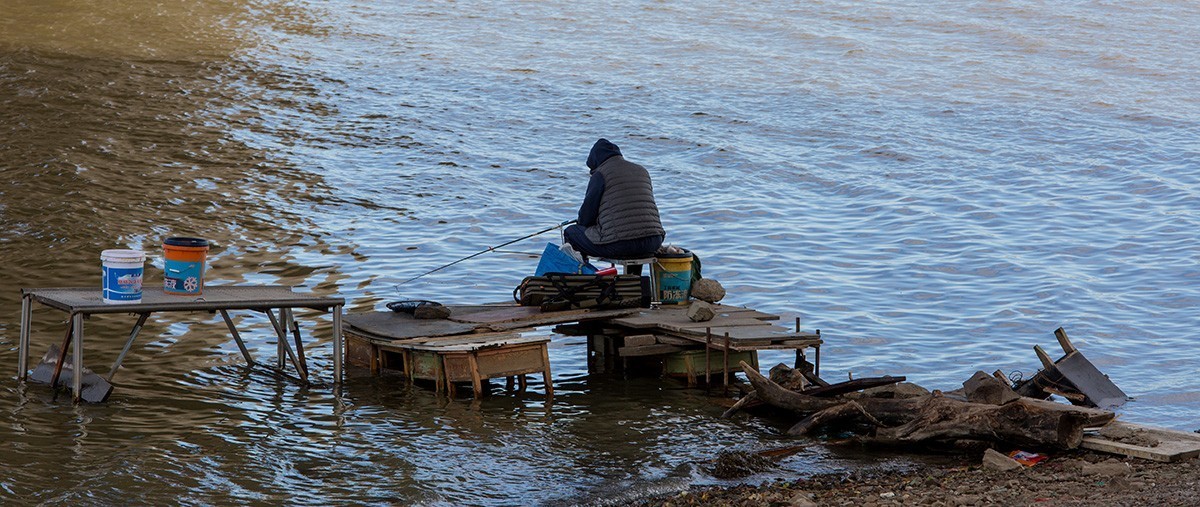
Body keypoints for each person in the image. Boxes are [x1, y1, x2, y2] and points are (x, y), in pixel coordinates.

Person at [563, 138, 665, 275]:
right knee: (633, 235)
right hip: (653, 241)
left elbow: (586, 217)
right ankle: (633, 280)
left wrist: (585, 222)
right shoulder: (642, 171)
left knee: (572, 233)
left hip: (622, 245)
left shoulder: (600, 174)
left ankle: (581, 283)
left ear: (595, 162)